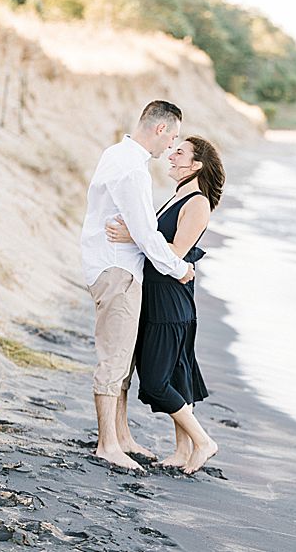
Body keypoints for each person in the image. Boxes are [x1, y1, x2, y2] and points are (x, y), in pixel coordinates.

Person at [78, 100, 195, 471]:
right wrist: (179, 268)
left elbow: (136, 229)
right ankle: (107, 444)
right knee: (114, 359)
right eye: (172, 136)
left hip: (111, 266)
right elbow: (146, 234)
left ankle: (122, 435)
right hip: (118, 271)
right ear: (160, 129)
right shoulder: (132, 170)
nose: (172, 145)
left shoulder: (116, 154)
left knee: (124, 358)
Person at [105, 135, 223, 474]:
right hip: (158, 296)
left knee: (156, 383)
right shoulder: (178, 196)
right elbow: (158, 242)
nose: (171, 156)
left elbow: (175, 252)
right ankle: (183, 451)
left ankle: (203, 442)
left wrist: (133, 236)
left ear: (196, 165)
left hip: (171, 302)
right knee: (176, 375)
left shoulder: (197, 203)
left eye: (180, 153)